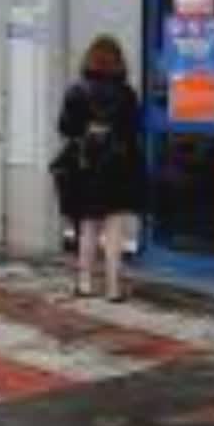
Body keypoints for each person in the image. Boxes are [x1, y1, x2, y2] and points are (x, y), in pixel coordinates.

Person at [54, 36, 146, 302]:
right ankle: (114, 289)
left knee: (89, 225)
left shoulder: (77, 90)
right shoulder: (127, 93)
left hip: (86, 165)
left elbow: (65, 129)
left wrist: (88, 130)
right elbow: (133, 130)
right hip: (119, 166)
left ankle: (84, 284)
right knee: (115, 227)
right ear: (118, 61)